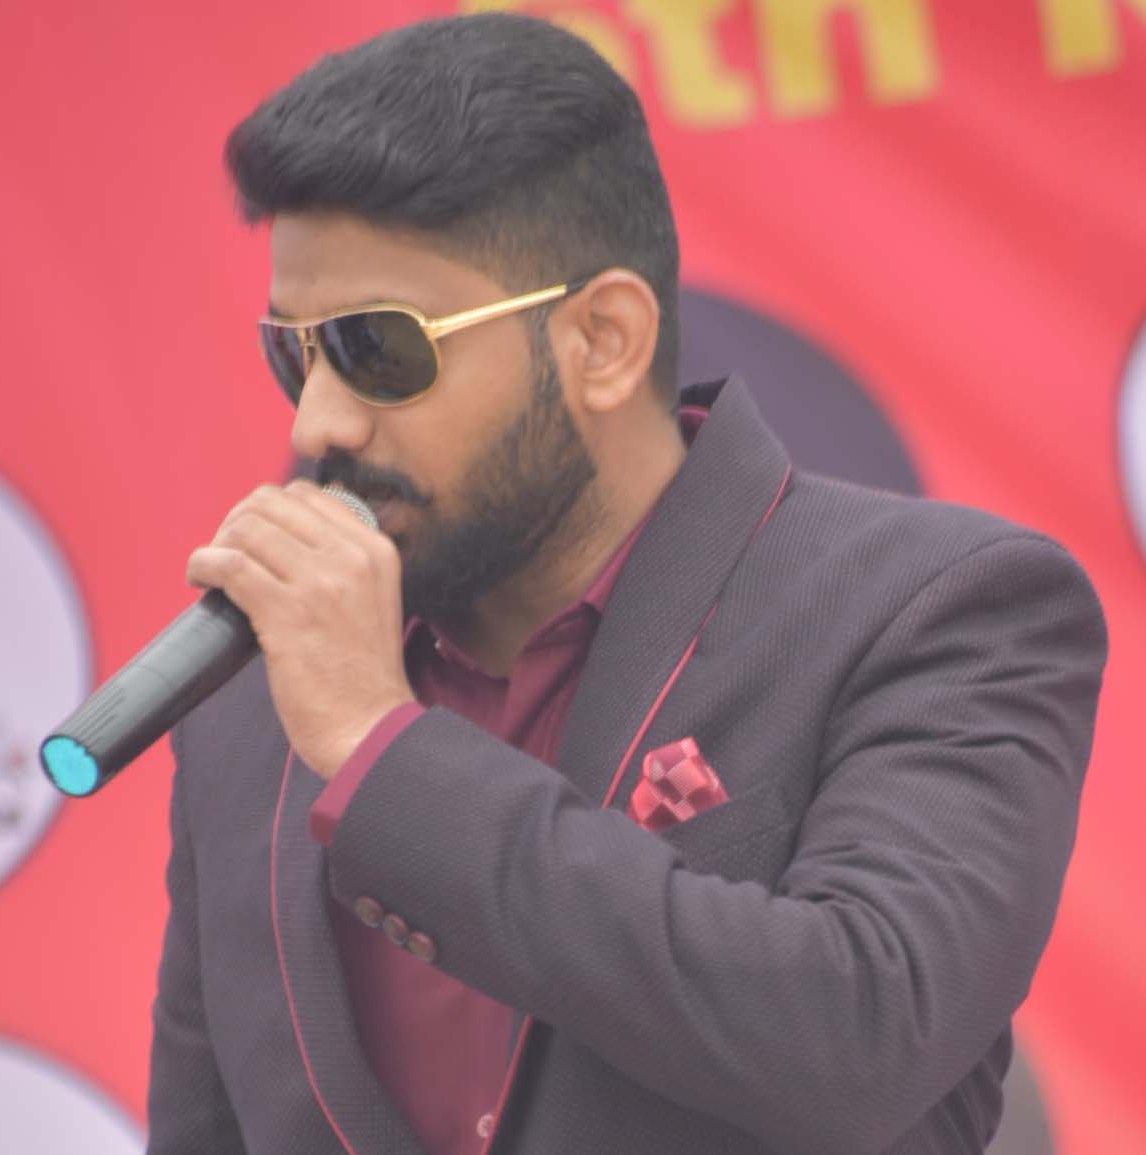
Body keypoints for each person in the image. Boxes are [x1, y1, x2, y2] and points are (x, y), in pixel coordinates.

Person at [146, 13, 1107, 1155]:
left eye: (375, 350)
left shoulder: (936, 608)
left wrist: (380, 749)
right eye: (295, 352)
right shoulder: (257, 707)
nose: (318, 423)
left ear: (603, 340)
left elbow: (860, 1037)